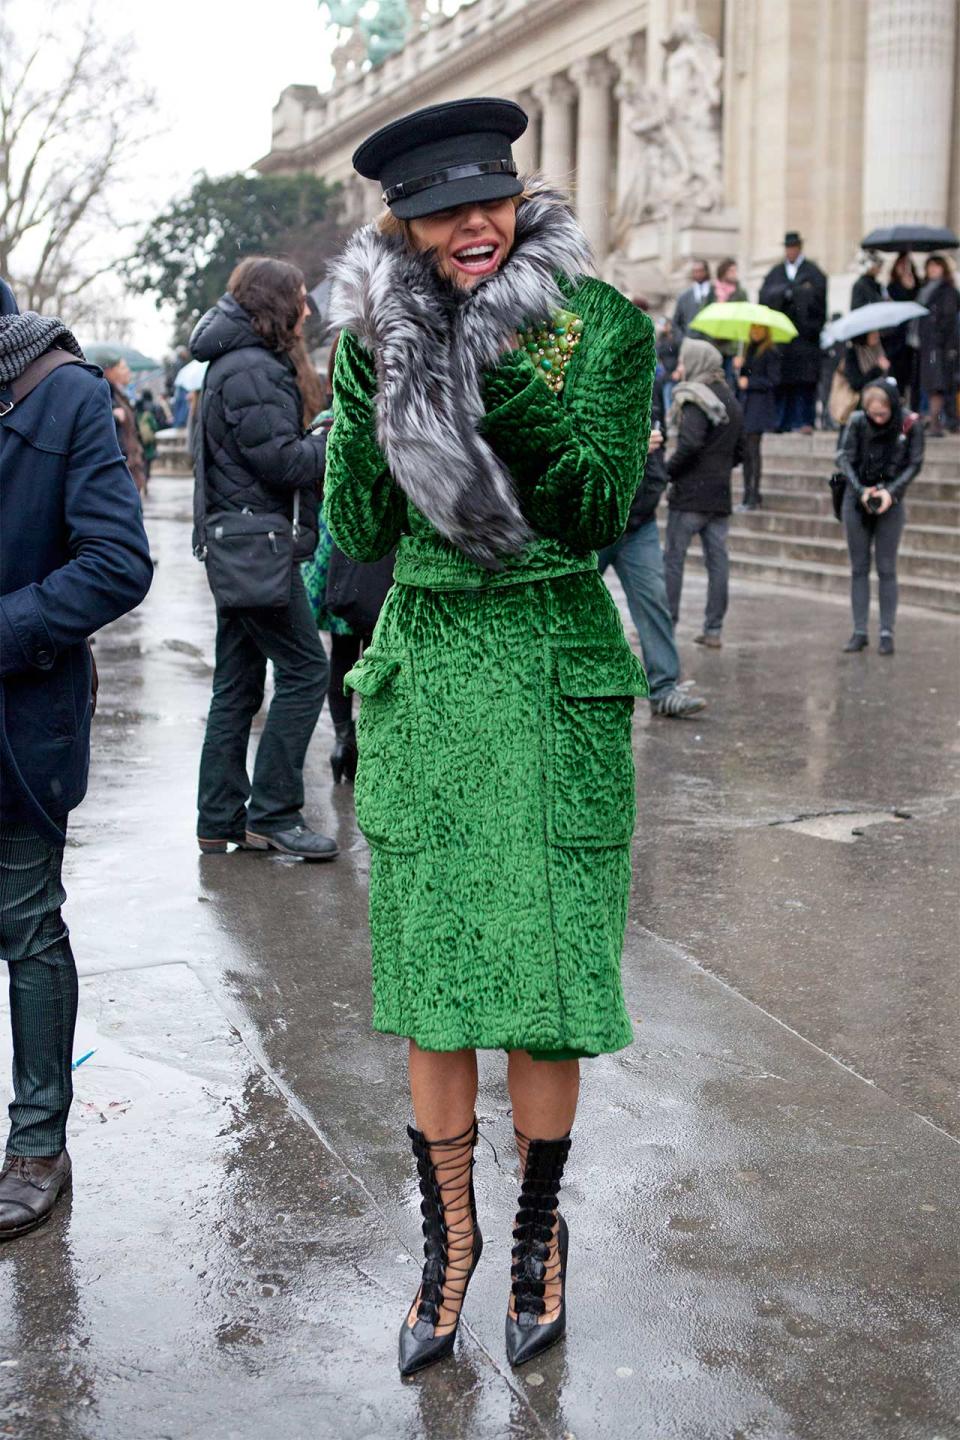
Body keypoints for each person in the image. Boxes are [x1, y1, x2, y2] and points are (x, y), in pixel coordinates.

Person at [325, 98, 654, 1376]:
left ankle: (534, 1238)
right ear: (402, 225)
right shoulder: (378, 335)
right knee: (436, 992)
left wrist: (494, 373)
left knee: (549, 993)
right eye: (441, 209)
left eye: (491, 199)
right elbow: (355, 520)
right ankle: (447, 1247)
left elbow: (593, 506)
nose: (473, 225)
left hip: (551, 661)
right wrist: (373, 378)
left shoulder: (602, 326)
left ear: (520, 198)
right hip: (431, 678)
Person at [0, 279, 153, 1239]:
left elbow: (117, 561)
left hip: (19, 718)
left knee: (23, 922)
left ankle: (37, 1140)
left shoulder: (60, 389)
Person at [191, 257, 337, 861]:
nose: (308, 310)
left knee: (238, 684)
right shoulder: (253, 368)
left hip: (239, 544)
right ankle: (273, 813)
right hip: (256, 548)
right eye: (300, 299)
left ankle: (219, 818)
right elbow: (282, 462)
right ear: (276, 304)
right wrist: (328, 439)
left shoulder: (235, 361)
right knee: (307, 673)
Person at [301, 335, 396, 783]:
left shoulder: (328, 421)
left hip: (335, 553)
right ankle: (378, 744)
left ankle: (344, 740)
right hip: (379, 552)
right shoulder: (393, 420)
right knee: (383, 649)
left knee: (342, 651)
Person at [597, 378, 707, 718]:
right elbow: (576, 446)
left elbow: (659, 445)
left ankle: (664, 688)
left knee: (654, 600)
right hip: (595, 522)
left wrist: (654, 478)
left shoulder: (649, 382)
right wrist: (631, 445)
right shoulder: (586, 378)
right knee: (570, 605)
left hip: (638, 521)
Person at [662, 337, 744, 647]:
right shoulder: (731, 400)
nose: (681, 367)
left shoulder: (697, 397)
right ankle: (713, 630)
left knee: (673, 560)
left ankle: (666, 624)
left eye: (685, 360)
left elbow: (691, 444)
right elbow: (740, 451)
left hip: (690, 495)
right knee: (717, 562)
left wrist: (668, 471)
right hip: (719, 495)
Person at [835, 378, 923, 655]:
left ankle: (887, 632)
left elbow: (915, 463)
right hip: (857, 497)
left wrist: (891, 493)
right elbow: (844, 457)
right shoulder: (858, 422)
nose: (878, 419)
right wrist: (861, 490)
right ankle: (859, 630)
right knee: (858, 567)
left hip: (891, 500)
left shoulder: (909, 424)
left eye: (883, 414)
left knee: (887, 568)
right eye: (873, 414)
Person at [759, 231, 827, 432]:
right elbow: (767, 296)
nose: (791, 251)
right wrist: (787, 294)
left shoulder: (813, 272)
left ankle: (804, 420)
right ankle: (781, 421)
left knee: (804, 382)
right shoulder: (776, 273)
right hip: (782, 340)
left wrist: (795, 295)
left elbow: (817, 301)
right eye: (788, 247)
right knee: (782, 382)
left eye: (794, 247)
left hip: (804, 338)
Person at [735, 324, 781, 509]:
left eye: (758, 329)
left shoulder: (770, 352)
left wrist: (750, 382)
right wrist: (740, 366)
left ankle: (753, 495)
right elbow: (742, 379)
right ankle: (748, 494)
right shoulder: (749, 349)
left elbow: (773, 380)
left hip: (759, 407)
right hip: (747, 406)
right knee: (747, 452)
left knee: (752, 452)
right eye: (752, 328)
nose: (754, 332)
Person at [917, 254, 959, 437]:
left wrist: (940, 339)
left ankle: (936, 423)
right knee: (933, 384)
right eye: (929, 266)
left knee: (937, 384)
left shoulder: (947, 290)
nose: (932, 270)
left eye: (936, 266)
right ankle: (940, 421)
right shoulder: (925, 289)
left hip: (940, 347)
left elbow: (948, 319)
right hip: (927, 345)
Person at [101, 349, 147, 495]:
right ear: (109, 371)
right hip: (122, 470)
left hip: (131, 467)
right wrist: (113, 417)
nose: (127, 371)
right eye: (122, 368)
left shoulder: (119, 394)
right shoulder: (105, 393)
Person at [886, 253, 921, 405]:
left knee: (914, 377)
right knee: (898, 376)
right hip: (895, 339)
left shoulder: (917, 284)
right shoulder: (891, 287)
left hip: (913, 337)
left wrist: (911, 287)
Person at [712, 257, 748, 387]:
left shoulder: (740, 293)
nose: (734, 273)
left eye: (735, 270)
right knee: (713, 381)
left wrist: (741, 353)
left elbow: (744, 320)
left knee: (729, 383)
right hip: (714, 344)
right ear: (723, 272)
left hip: (732, 346)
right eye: (731, 270)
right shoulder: (713, 292)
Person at [672, 258, 714, 343]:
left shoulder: (715, 293)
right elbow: (676, 323)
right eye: (695, 271)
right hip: (690, 343)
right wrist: (682, 341)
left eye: (700, 270)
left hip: (711, 343)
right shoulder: (684, 297)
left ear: (706, 272)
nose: (698, 274)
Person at [135, 387, 160, 484]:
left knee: (142, 459)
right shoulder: (149, 412)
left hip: (139, 441)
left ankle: (142, 477)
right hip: (148, 441)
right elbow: (155, 427)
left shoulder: (136, 415)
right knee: (148, 460)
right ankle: (146, 477)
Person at [656, 316, 681, 415]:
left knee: (670, 403)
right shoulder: (660, 340)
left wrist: (678, 370)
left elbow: (680, 355)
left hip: (674, 374)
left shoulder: (675, 339)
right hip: (664, 375)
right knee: (665, 403)